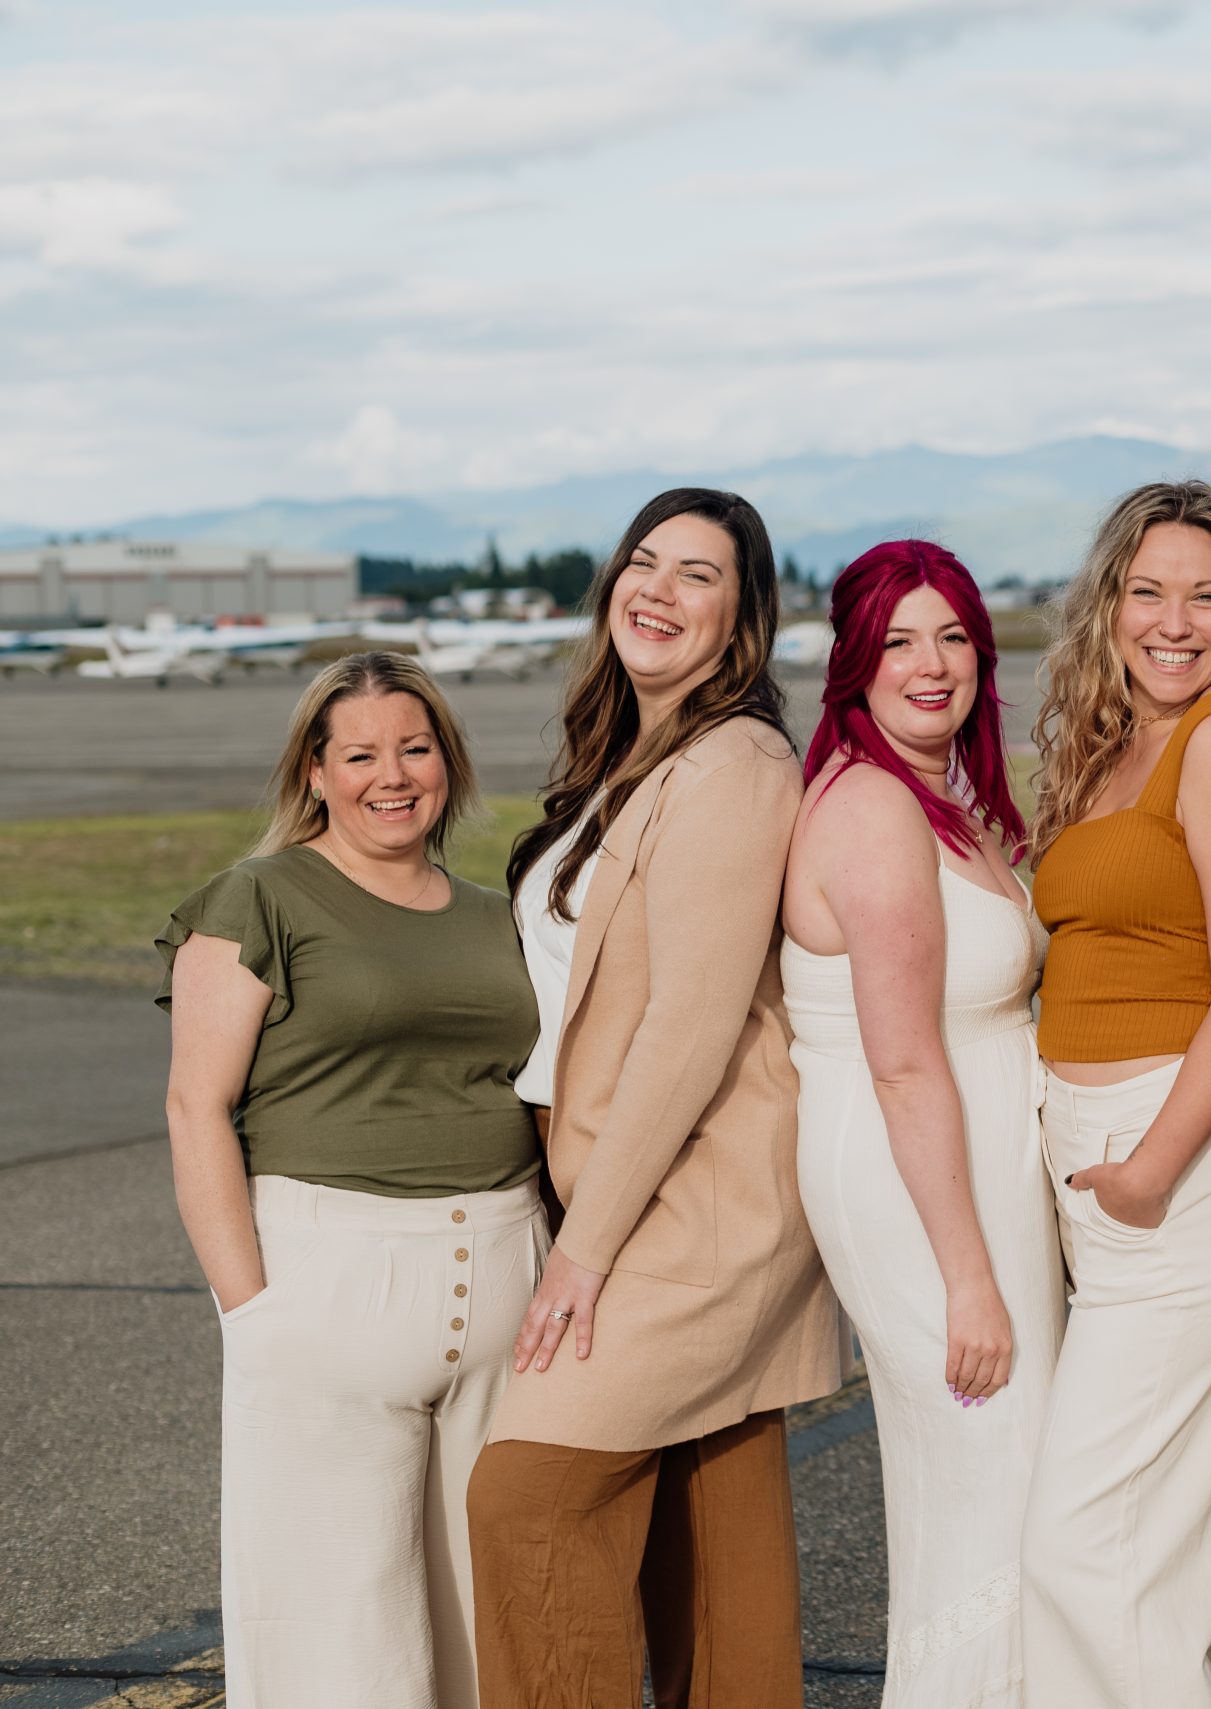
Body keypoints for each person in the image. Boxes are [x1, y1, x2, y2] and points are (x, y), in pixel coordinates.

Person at [465, 487, 842, 1709]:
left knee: (527, 1496)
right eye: (644, 561)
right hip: (634, 1187)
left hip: (692, 1204)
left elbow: (689, 1024)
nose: (659, 589)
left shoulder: (733, 763)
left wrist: (583, 1251)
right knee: (713, 1523)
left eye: (697, 574)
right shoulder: (634, 753)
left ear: (743, 619)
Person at [159, 651, 544, 1709]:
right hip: (329, 1283)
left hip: (507, 1272)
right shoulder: (259, 897)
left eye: (415, 748)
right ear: (316, 772)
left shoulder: (496, 914)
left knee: (489, 1616)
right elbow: (195, 1106)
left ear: (448, 762)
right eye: (362, 754)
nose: (393, 775)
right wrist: (251, 1309)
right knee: (339, 1631)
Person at [1021, 478, 1211, 1708]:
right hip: (1106, 1157)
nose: (1174, 622)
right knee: (1205, 1523)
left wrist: (1145, 1172)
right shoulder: (1110, 741)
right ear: (1110, 603)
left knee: (1086, 1543)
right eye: (1148, 592)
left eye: (1205, 595)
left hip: (1172, 1170)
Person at [781, 540, 1064, 1707]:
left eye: (952, 636)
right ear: (854, 660)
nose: (930, 662)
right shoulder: (871, 809)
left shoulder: (944, 795)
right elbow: (902, 1062)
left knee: (1003, 1484)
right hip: (922, 1191)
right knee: (992, 1483)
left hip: (974, 1167)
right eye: (897, 640)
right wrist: (968, 1278)